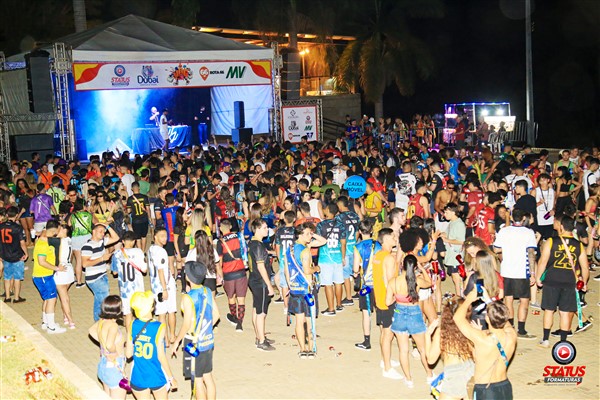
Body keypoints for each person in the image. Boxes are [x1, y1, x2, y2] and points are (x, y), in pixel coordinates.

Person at [536, 215, 590, 346]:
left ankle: (545, 339)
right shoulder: (579, 245)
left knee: (549, 310)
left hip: (551, 280)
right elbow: (585, 267)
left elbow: (543, 261)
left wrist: (538, 277)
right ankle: (563, 342)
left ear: (561, 226)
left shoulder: (551, 241)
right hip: (570, 282)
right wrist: (584, 282)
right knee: (565, 312)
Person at [454, 290, 517, 400]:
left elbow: (457, 318)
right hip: (505, 387)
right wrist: (489, 301)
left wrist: (469, 299)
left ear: (487, 318)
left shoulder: (481, 338)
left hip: (486, 390)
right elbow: (503, 319)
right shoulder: (512, 336)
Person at [171, 261, 220, 400]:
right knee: (208, 377)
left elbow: (186, 324)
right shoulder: (207, 291)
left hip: (194, 342)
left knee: (197, 380)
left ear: (188, 277)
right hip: (208, 341)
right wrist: (206, 329)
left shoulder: (187, 297)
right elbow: (216, 315)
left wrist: (177, 341)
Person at [386, 254, 433, 387]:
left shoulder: (394, 281)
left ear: (402, 265)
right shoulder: (417, 280)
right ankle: (429, 375)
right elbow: (429, 283)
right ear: (414, 267)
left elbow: (387, 302)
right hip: (415, 314)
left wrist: (397, 298)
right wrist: (422, 269)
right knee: (423, 349)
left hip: (399, 314)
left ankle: (408, 379)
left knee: (403, 350)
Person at [493, 209, 537, 339]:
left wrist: (507, 247)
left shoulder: (504, 231)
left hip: (507, 270)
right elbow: (531, 253)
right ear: (523, 218)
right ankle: (521, 330)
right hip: (522, 271)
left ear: (511, 218)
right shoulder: (529, 232)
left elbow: (496, 249)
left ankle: (510, 327)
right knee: (524, 300)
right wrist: (532, 273)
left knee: (508, 299)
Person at [284, 222, 325, 358]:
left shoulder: (289, 249)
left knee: (299, 321)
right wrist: (316, 268)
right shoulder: (305, 250)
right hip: (307, 289)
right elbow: (307, 270)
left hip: (295, 289)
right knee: (310, 320)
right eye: (307, 233)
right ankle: (311, 348)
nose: (310, 236)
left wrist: (290, 285)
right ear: (300, 235)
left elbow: (286, 270)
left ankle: (302, 349)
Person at [126, 290, 177, 399]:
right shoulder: (159, 327)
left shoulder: (132, 324)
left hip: (138, 377)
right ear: (151, 308)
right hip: (155, 375)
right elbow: (161, 356)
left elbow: (128, 354)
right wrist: (171, 377)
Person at [425, 298, 474, 400]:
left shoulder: (442, 332)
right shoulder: (470, 327)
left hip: (454, 375)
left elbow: (430, 359)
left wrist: (427, 335)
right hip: (471, 371)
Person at [372, 228, 402, 379]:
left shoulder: (378, 255)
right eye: (392, 237)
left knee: (384, 332)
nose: (395, 238)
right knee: (388, 334)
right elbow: (390, 281)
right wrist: (396, 297)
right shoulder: (388, 258)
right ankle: (387, 368)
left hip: (379, 297)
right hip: (388, 299)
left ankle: (385, 360)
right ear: (385, 240)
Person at [88, 295, 127, 400]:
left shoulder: (101, 321)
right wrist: (113, 352)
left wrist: (102, 342)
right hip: (114, 368)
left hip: (103, 365)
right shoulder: (113, 326)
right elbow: (110, 345)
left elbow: (91, 330)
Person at [32, 219, 67, 334]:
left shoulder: (44, 239)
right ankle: (51, 327)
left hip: (42, 275)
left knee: (47, 299)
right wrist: (57, 268)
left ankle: (45, 322)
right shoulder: (43, 244)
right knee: (52, 299)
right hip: (44, 275)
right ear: (55, 231)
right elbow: (42, 261)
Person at [81, 223, 120, 322]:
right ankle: (102, 322)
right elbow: (84, 264)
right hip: (95, 278)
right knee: (104, 302)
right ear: (93, 232)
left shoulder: (102, 242)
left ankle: (98, 322)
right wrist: (102, 258)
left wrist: (107, 226)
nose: (103, 234)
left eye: (104, 232)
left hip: (102, 276)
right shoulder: (87, 246)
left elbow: (116, 238)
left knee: (99, 301)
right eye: (100, 231)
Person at [353, 219, 382, 350]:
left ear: (360, 231)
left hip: (366, 285)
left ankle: (367, 341)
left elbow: (355, 268)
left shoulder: (358, 247)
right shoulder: (378, 245)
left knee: (366, 313)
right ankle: (384, 339)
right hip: (379, 283)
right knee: (381, 311)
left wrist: (355, 273)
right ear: (372, 230)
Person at [247, 219, 276, 351]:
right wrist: (269, 285)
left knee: (256, 308)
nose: (267, 230)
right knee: (261, 313)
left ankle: (259, 336)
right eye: (264, 228)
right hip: (260, 282)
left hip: (254, 280)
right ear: (257, 229)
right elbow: (261, 266)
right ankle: (262, 341)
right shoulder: (258, 246)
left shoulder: (253, 243)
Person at [111, 231, 147, 331]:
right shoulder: (138, 252)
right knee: (140, 312)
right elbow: (144, 270)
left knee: (127, 314)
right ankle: (141, 333)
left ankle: (129, 336)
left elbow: (114, 272)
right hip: (137, 288)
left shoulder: (117, 254)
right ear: (134, 241)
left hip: (125, 289)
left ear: (123, 241)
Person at [216, 219, 248, 332]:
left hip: (228, 273)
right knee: (241, 299)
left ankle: (234, 317)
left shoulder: (220, 242)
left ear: (220, 229)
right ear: (230, 227)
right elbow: (245, 251)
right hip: (241, 271)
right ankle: (239, 324)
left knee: (231, 297)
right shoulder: (238, 237)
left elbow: (219, 262)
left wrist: (220, 276)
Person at [149, 228, 177, 344]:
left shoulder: (151, 249)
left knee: (161, 314)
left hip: (155, 285)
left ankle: (164, 339)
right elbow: (161, 271)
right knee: (171, 311)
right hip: (165, 285)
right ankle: (172, 336)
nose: (165, 238)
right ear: (155, 237)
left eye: (165, 235)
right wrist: (165, 289)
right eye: (161, 236)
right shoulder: (161, 251)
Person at [318, 203, 347, 316]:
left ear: (328, 210)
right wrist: (343, 257)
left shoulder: (321, 225)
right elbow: (343, 243)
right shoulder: (340, 225)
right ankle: (339, 305)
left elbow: (318, 240)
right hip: (337, 257)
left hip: (325, 258)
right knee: (338, 282)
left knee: (328, 284)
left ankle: (331, 309)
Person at [336, 196, 361, 305]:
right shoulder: (355, 215)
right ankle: (359, 292)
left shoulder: (339, 218)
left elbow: (339, 235)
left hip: (345, 249)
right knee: (355, 270)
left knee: (345, 274)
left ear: (340, 205)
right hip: (354, 247)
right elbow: (357, 231)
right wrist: (353, 242)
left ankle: (349, 297)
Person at [0, 206, 28, 303]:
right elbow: (22, 243)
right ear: (16, 215)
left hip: (5, 255)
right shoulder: (17, 227)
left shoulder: (1, 226)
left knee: (7, 277)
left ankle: (7, 297)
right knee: (17, 278)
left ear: (7, 215)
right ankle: (16, 297)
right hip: (17, 255)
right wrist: (26, 253)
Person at [50, 224, 76, 328]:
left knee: (64, 298)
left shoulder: (60, 240)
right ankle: (65, 316)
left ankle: (70, 320)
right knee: (63, 295)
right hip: (69, 269)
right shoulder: (69, 240)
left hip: (62, 271)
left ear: (65, 231)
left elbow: (45, 237)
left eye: (60, 228)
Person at [441, 203, 466, 295]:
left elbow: (461, 241)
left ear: (453, 212)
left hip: (456, 256)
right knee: (454, 277)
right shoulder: (452, 223)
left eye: (446, 212)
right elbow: (448, 234)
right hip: (451, 256)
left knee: (457, 278)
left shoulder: (459, 224)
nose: (444, 214)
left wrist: (446, 240)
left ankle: (459, 296)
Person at [69, 201, 93, 288]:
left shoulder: (73, 215)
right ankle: (91, 278)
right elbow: (95, 222)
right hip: (87, 237)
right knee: (90, 258)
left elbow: (69, 224)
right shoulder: (89, 215)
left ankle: (79, 282)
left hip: (76, 238)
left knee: (78, 261)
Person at [127, 181, 151, 250]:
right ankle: (143, 251)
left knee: (138, 237)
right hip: (144, 219)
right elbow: (148, 209)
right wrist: (149, 218)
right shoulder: (144, 197)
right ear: (139, 188)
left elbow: (128, 211)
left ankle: (140, 251)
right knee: (144, 236)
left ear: (132, 189)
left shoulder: (130, 199)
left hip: (135, 221)